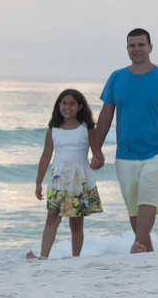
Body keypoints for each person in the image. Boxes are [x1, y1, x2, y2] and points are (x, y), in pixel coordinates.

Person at [89, 28, 158, 253]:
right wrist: (97, 149)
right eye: (132, 45)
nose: (137, 49)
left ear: (150, 47)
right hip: (125, 154)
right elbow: (105, 116)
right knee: (134, 210)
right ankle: (146, 253)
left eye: (141, 45)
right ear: (127, 49)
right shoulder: (116, 77)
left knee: (147, 200)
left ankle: (136, 245)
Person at [26, 89, 103, 260]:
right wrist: (38, 183)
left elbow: (97, 153)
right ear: (59, 105)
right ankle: (43, 257)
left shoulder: (87, 128)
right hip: (58, 179)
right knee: (52, 217)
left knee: (76, 223)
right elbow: (46, 157)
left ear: (80, 106)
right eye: (64, 103)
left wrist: (97, 161)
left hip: (78, 179)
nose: (67, 107)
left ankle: (76, 257)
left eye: (72, 103)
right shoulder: (53, 129)